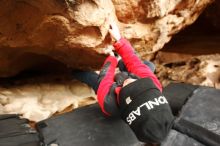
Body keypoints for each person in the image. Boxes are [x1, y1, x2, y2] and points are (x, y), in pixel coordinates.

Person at [72, 21, 174, 144]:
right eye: (141, 83)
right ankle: (122, 64)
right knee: (148, 66)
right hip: (126, 88)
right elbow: (134, 61)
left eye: (130, 87)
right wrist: (119, 40)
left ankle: (73, 71)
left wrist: (112, 58)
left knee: (90, 77)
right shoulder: (153, 84)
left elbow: (105, 77)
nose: (130, 81)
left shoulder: (109, 103)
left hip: (110, 90)